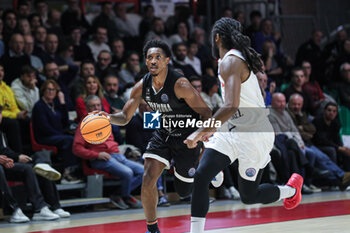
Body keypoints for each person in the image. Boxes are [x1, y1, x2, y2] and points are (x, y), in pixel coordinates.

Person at [183, 18, 303, 233]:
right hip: (232, 129)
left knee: (248, 196)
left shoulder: (231, 61)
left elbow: (230, 105)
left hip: (254, 134)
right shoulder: (228, 61)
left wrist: (202, 131)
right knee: (201, 176)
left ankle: (290, 191)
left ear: (217, 37)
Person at [98, 40, 212, 233]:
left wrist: (199, 136)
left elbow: (207, 114)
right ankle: (152, 229)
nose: (153, 61)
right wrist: (107, 118)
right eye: (149, 57)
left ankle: (207, 166)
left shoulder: (181, 85)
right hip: (164, 133)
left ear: (167, 60)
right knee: (148, 177)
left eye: (158, 57)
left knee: (184, 191)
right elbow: (125, 117)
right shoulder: (142, 86)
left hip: (187, 137)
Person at [73, 95, 143, 209]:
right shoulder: (84, 125)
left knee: (143, 171)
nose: (96, 108)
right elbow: (77, 148)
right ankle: (125, 196)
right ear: (86, 108)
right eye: (93, 106)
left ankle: (118, 195)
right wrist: (97, 154)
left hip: (117, 155)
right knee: (128, 173)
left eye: (98, 105)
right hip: (101, 159)